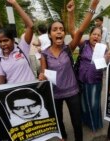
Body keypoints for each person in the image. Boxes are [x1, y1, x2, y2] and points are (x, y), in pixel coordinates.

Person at [39, 0, 100, 140]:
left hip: (73, 91)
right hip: (55, 94)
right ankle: (64, 137)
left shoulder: (68, 49)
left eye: (61, 29)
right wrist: (42, 76)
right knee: (59, 119)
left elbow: (80, 31)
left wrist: (92, 7)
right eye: (55, 30)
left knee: (76, 121)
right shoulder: (44, 54)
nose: (59, 32)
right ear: (50, 35)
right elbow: (43, 73)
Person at [0, 0, 35, 85]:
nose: (3, 44)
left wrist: (15, 4)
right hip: (14, 94)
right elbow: (1, 80)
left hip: (32, 90)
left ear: (12, 40)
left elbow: (30, 26)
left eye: (5, 40)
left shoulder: (22, 47)